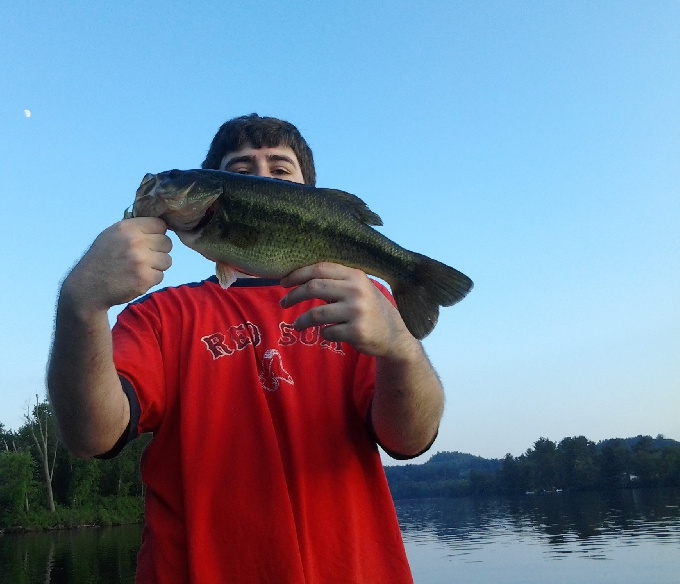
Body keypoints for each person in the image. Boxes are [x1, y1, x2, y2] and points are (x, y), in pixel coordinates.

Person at [47, 114, 445, 583]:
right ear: (215, 194)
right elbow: (91, 435)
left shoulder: (363, 310)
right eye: (240, 171)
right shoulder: (161, 317)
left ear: (311, 199)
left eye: (280, 171)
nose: (261, 179)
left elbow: (410, 440)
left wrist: (402, 347)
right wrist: (82, 307)